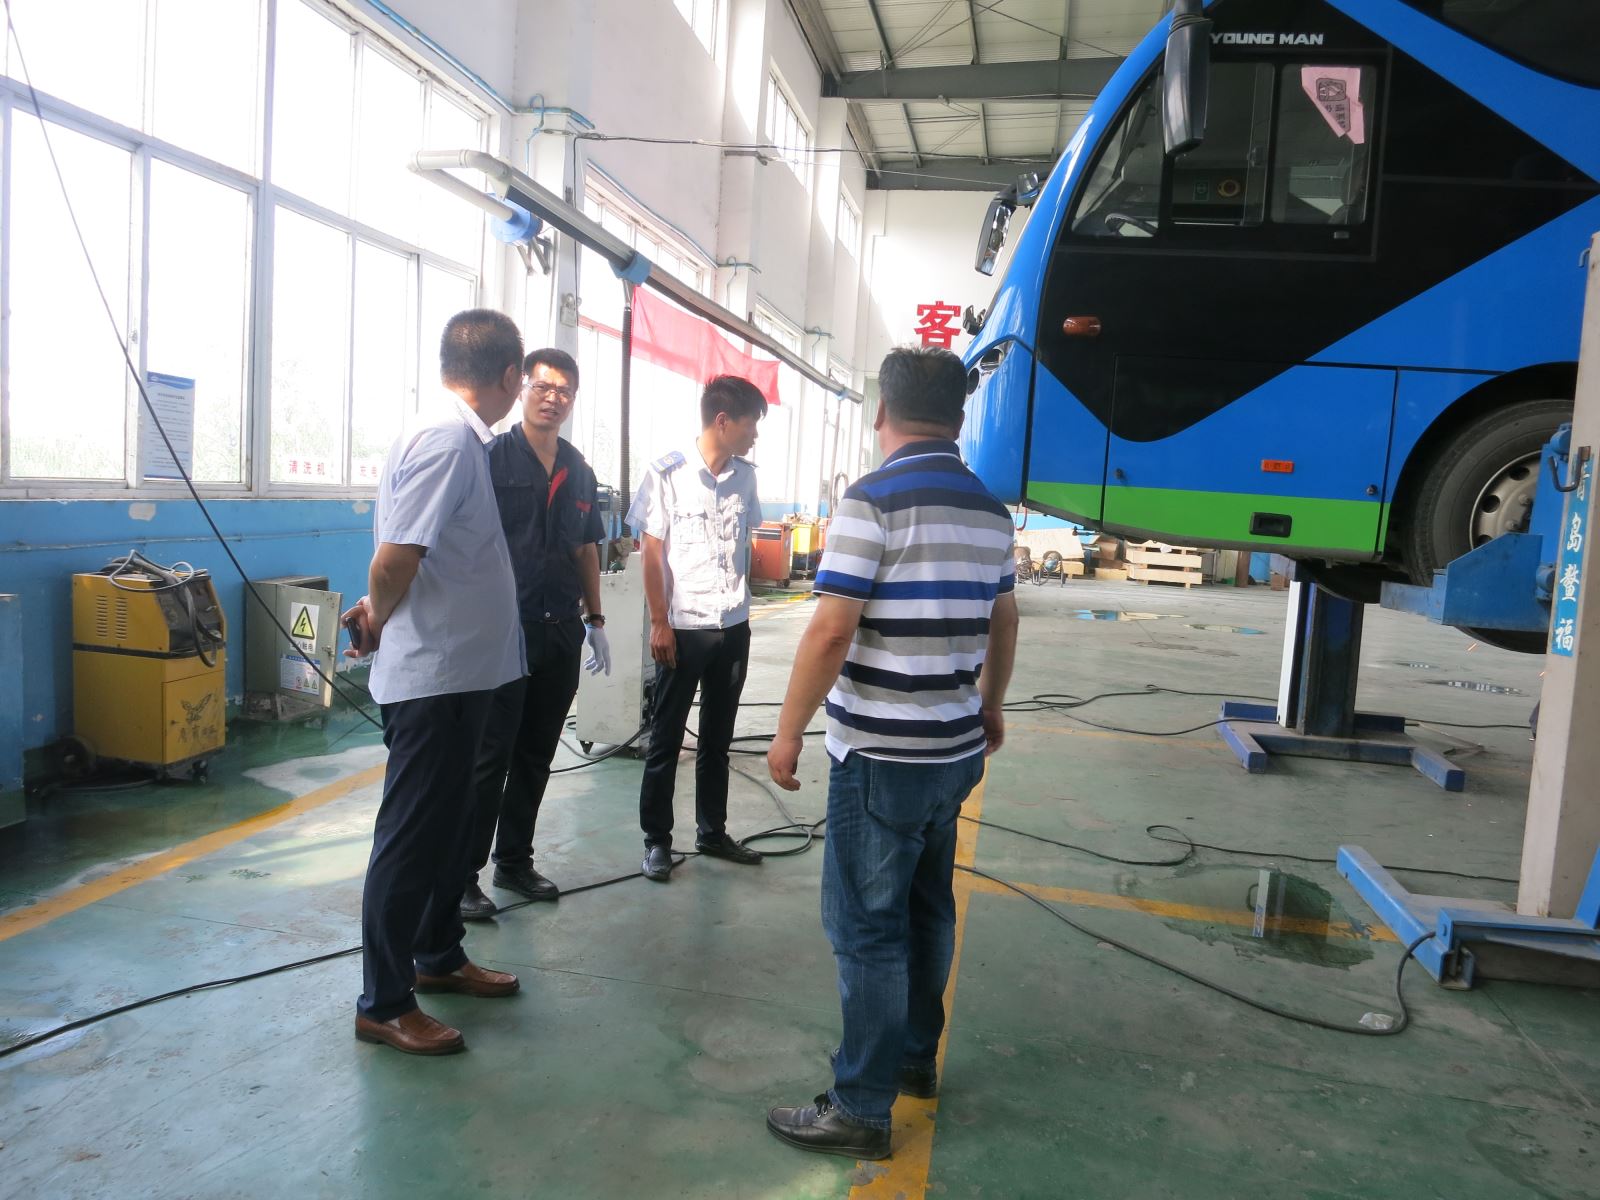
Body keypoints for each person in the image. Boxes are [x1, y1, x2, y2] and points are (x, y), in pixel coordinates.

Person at [763, 346, 1020, 1158]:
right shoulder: (990, 510)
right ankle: (913, 1058)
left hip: (880, 752)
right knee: (927, 906)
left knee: (867, 927)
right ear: (958, 417)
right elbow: (1004, 619)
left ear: (883, 413)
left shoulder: (872, 500)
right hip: (953, 748)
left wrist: (789, 728)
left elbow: (831, 628)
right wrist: (991, 703)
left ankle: (860, 1108)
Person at [342, 309, 529, 1057]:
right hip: (435, 679)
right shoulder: (446, 439)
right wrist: (378, 614)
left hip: (464, 673)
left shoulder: (457, 438)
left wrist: (378, 608)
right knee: (413, 836)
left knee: (452, 827)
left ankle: (438, 955)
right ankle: (384, 1002)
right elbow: (397, 557)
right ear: (509, 376)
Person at [461, 348, 609, 920]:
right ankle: (462, 876)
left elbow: (585, 548)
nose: (553, 398)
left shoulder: (579, 469)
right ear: (521, 387)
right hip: (504, 630)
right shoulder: (490, 458)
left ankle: (514, 861)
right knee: (489, 758)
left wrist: (595, 620)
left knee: (536, 754)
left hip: (559, 632)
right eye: (543, 387)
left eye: (564, 391)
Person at [627, 375, 769, 882]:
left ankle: (712, 832)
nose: (755, 435)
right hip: (683, 628)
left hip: (733, 625)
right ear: (723, 421)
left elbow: (744, 545)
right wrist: (659, 622)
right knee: (666, 738)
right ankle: (656, 841)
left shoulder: (745, 478)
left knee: (717, 738)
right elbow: (652, 553)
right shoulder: (667, 473)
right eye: (751, 424)